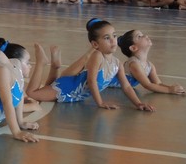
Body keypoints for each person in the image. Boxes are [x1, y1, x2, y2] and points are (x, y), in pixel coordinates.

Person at [26, 19, 155, 111]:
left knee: (46, 88)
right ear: (95, 44)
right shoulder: (97, 56)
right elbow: (92, 81)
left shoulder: (117, 63)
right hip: (67, 88)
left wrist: (138, 103)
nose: (113, 40)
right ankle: (41, 62)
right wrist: (100, 103)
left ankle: (55, 66)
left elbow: (126, 86)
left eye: (114, 36)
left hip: (75, 94)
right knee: (32, 93)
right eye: (107, 38)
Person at [115, 30, 186, 94]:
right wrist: (169, 90)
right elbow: (147, 85)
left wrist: (173, 89)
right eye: (139, 36)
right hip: (109, 83)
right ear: (133, 48)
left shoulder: (150, 65)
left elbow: (158, 83)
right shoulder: (134, 64)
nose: (145, 36)